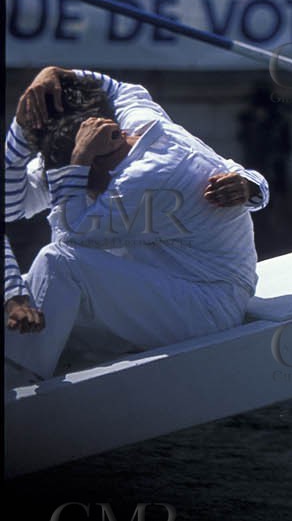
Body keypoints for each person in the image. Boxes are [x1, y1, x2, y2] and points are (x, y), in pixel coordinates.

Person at [5, 66, 268, 382]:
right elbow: (114, 86)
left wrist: (76, 164)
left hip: (206, 306)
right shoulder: (136, 121)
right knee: (26, 290)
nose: (53, 176)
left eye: (67, 171)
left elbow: (70, 237)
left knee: (58, 263)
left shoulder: (146, 179)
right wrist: (52, 75)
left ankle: (16, 385)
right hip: (161, 278)